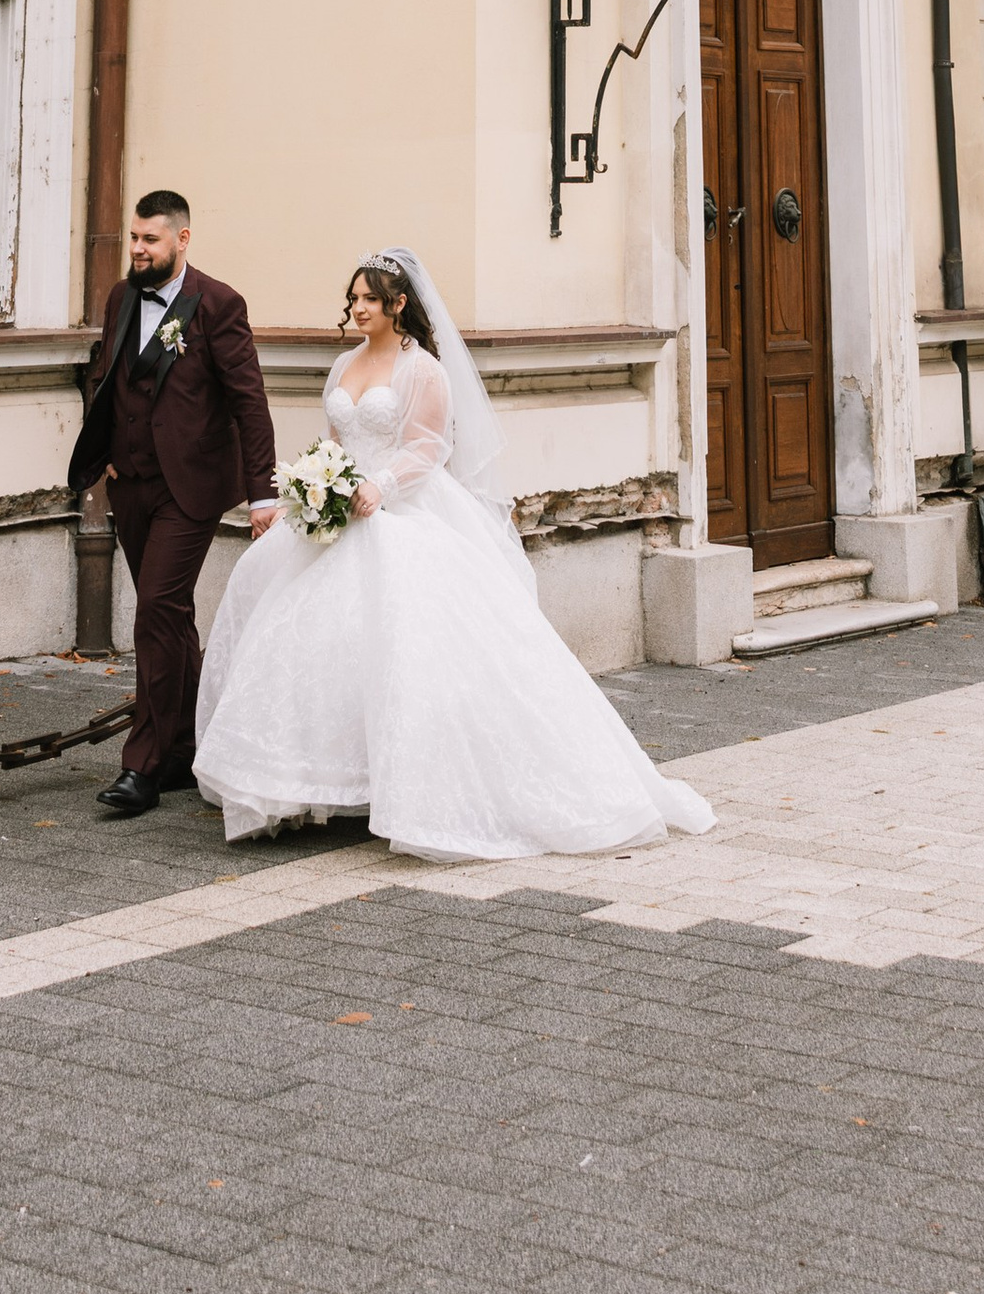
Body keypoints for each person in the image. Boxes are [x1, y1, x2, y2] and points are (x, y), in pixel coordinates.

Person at [193, 247, 715, 862]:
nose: (357, 309)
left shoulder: (424, 371)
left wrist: (378, 488)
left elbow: (427, 448)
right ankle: (308, 783)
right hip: (341, 510)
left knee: (406, 645)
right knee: (307, 637)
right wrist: (318, 484)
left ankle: (410, 784)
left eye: (369, 299)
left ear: (399, 304)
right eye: (353, 299)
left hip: (403, 511)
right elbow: (334, 441)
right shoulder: (343, 365)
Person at [68, 188, 274, 822]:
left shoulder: (218, 304)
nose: (137, 249)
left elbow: (249, 400)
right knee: (171, 619)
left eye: (150, 240)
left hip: (191, 489)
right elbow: (109, 375)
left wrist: (263, 491)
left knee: (156, 606)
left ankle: (143, 766)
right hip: (129, 482)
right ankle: (187, 747)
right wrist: (104, 450)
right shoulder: (121, 296)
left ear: (182, 240)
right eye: (134, 237)